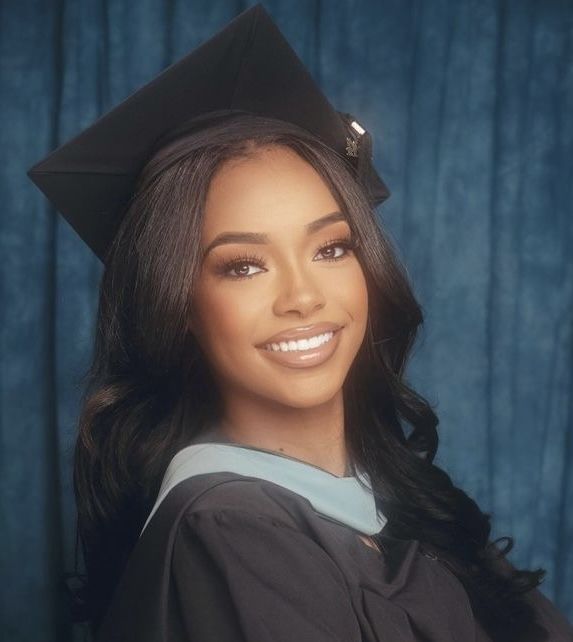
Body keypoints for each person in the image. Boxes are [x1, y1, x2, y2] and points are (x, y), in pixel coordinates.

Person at [27, 4, 573, 642]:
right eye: (243, 266)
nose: (303, 296)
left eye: (331, 248)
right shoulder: (226, 531)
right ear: (176, 308)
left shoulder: (406, 502)